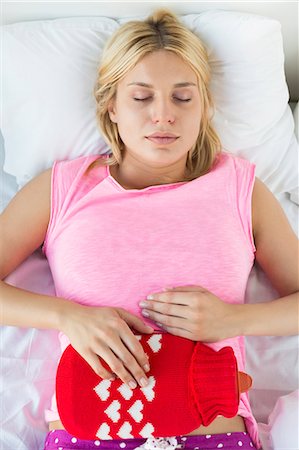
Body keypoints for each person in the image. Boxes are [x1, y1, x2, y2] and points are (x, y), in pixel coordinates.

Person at [0, 8, 298, 450]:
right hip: (88, 436)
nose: (164, 116)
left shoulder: (240, 188)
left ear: (205, 106)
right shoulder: (62, 188)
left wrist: (233, 320)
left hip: (213, 437)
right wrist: (66, 316)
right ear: (111, 107)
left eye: (183, 98)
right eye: (141, 98)